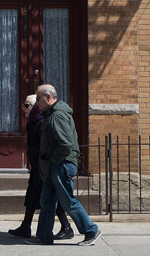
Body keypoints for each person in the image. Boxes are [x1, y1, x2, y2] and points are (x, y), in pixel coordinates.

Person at [27, 84, 102, 246]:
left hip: (61, 165)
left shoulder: (57, 116)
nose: (37, 102)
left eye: (38, 99)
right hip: (54, 166)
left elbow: (66, 144)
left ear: (48, 97)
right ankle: (43, 236)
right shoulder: (51, 115)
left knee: (67, 200)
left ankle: (91, 230)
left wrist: (53, 159)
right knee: (47, 201)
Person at [8, 94, 73, 240]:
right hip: (37, 166)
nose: (24, 109)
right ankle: (26, 226)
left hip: (43, 165)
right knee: (32, 195)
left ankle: (66, 226)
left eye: (26, 105)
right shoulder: (33, 121)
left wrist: (41, 157)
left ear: (34, 106)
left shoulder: (40, 121)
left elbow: (47, 144)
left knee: (50, 196)